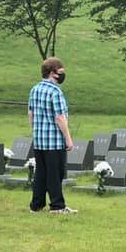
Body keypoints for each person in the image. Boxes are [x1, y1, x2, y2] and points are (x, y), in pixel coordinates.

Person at [28, 57, 77, 214]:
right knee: (56, 174)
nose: (62, 75)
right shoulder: (55, 92)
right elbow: (60, 117)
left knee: (41, 174)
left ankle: (36, 205)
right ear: (52, 73)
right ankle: (57, 206)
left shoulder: (35, 89)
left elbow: (31, 113)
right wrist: (68, 138)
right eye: (60, 72)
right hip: (54, 141)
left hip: (39, 140)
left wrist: (35, 131)